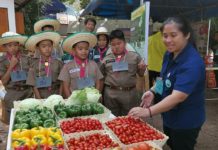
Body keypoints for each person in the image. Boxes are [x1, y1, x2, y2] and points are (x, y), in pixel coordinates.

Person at [128, 17, 206, 150]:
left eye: (173, 35)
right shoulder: (169, 54)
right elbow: (163, 78)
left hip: (186, 121)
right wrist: (153, 91)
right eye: (165, 36)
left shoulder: (192, 63)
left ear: (186, 35)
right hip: (169, 115)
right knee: (171, 144)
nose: (168, 40)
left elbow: (178, 97)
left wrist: (148, 111)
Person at [100, 29, 146, 116]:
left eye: (119, 43)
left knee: (130, 119)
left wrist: (142, 69)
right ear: (110, 45)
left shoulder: (134, 57)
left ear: (124, 43)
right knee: (111, 119)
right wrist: (99, 94)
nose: (116, 47)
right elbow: (101, 77)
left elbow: (140, 74)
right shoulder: (106, 59)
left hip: (129, 94)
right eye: (113, 44)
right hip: (110, 94)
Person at [58, 32, 104, 98]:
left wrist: (96, 97)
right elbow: (65, 86)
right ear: (74, 50)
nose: (84, 51)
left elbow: (98, 82)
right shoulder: (67, 66)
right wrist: (71, 100)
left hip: (91, 101)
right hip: (74, 101)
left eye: (86, 49)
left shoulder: (94, 64)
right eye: (80, 49)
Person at [0, 32, 32, 124]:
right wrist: (11, 66)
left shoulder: (26, 58)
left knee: (29, 121)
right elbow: (4, 81)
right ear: (5, 47)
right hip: (12, 95)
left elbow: (32, 77)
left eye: (15, 44)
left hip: (27, 93)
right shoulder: (2, 61)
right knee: (14, 123)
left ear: (19, 45)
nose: (13, 48)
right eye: (9, 45)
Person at [25, 31, 63, 99]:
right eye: (43, 46)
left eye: (49, 46)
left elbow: (62, 82)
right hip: (41, 95)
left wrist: (59, 96)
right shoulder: (33, 64)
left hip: (56, 95)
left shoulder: (58, 63)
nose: (47, 48)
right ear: (38, 48)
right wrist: (39, 99)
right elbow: (33, 84)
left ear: (52, 46)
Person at [148, 22, 167, 88]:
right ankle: (158, 98)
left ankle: (150, 97)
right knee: (159, 88)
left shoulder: (149, 39)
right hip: (160, 68)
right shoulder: (164, 39)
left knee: (150, 86)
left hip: (149, 67)